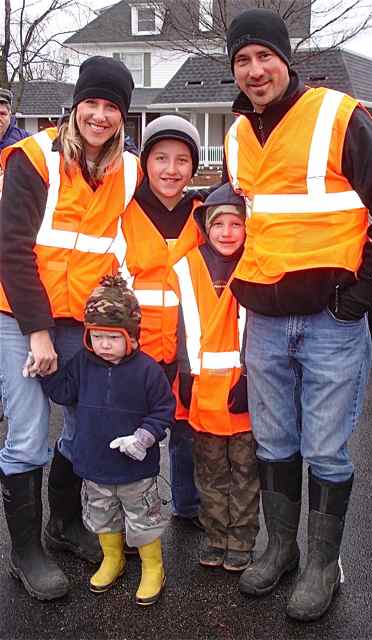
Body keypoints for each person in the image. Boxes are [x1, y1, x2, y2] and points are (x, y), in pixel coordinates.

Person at [222, 8, 372, 621]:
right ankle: (281, 548)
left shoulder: (337, 116)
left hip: (332, 322)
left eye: (264, 57)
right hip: (266, 322)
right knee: (275, 442)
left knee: (327, 451)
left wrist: (367, 291)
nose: (255, 71)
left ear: (287, 58)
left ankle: (320, 566)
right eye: (242, 60)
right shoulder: (234, 136)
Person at [0, 55, 140, 601]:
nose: (99, 116)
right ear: (75, 105)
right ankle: (25, 551)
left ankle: (64, 524)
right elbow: (12, 249)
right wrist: (36, 331)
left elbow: (164, 215)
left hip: (82, 320)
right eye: (92, 104)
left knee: (87, 424)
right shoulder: (34, 158)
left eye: (111, 107)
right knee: (31, 431)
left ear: (122, 116)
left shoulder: (127, 167)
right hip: (19, 316)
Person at [41, 275, 175, 605]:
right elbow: (63, 392)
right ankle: (112, 559)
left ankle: (152, 566)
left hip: (136, 471)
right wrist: (47, 371)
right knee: (103, 518)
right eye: (96, 336)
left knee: (143, 520)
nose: (103, 344)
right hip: (95, 467)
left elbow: (163, 410)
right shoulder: (84, 364)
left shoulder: (147, 370)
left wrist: (143, 439)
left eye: (112, 338)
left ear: (131, 336)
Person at [122, 115, 204, 527]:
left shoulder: (205, 215)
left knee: (187, 435)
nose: (171, 170)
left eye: (182, 161)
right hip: (138, 354)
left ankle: (189, 509)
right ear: (145, 163)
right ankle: (136, 520)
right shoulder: (124, 212)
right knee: (138, 436)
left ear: (193, 167)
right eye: (161, 159)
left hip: (188, 351)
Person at [173, 182, 260, 572]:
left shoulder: (257, 265)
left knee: (245, 472)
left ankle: (241, 540)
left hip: (244, 393)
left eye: (235, 224)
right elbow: (183, 327)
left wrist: (250, 380)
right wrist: (187, 378)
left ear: (247, 228)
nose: (226, 232)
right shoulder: (188, 266)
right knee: (210, 473)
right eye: (218, 223)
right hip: (205, 394)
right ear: (205, 227)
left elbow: (257, 329)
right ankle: (215, 538)